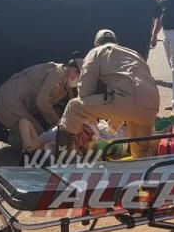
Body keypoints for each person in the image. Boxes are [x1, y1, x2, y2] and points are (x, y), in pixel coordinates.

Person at [58, 29, 160, 158]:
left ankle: (63, 157)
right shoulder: (133, 53)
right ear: (116, 42)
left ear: (97, 43)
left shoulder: (96, 52)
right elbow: (135, 89)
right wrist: (116, 119)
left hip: (127, 100)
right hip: (152, 104)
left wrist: (90, 117)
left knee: (74, 106)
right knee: (140, 152)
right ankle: (142, 171)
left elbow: (84, 92)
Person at [0, 58, 82, 148]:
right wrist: (59, 125)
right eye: (79, 76)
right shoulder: (58, 73)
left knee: (43, 138)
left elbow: (72, 104)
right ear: (73, 70)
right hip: (10, 100)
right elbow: (42, 102)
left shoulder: (66, 81)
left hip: (16, 102)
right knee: (39, 139)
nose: (78, 80)